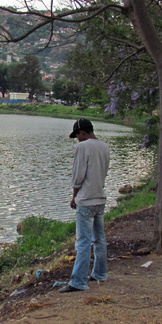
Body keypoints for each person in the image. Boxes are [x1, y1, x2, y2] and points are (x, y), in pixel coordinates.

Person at [60, 119, 110, 293]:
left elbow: (78, 175)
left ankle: (78, 282)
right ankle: (100, 273)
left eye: (77, 136)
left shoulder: (82, 147)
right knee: (100, 239)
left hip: (86, 200)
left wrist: (74, 197)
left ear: (82, 132)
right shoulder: (104, 146)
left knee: (83, 242)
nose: (77, 140)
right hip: (99, 198)